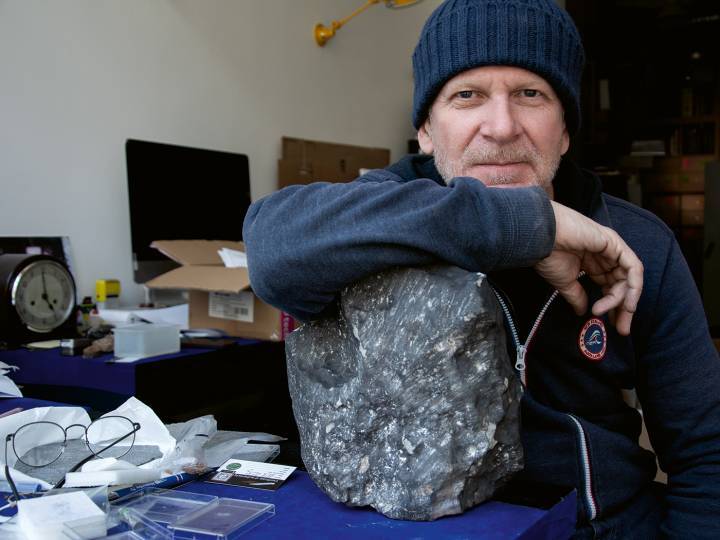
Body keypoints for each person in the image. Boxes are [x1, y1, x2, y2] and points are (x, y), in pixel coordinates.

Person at [243, 0, 720, 537]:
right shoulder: (382, 212)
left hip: (600, 526)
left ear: (564, 130)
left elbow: (707, 451)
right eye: (467, 95)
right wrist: (525, 224)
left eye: (530, 94)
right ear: (425, 129)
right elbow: (272, 246)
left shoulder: (635, 244)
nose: (500, 127)